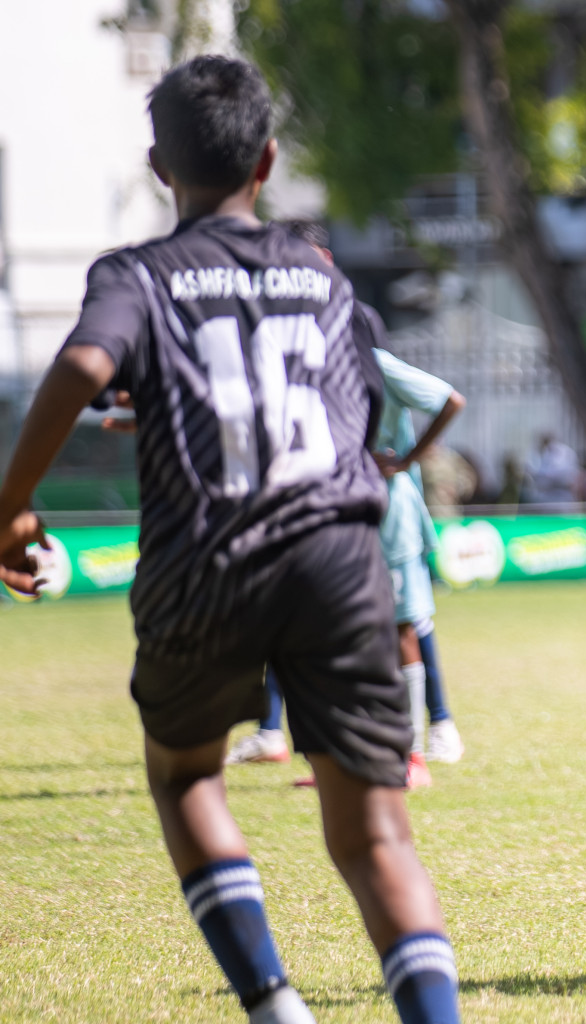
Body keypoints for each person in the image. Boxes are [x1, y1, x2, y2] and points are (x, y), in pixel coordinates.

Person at [0, 58, 458, 1023]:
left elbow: (88, 361)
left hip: (206, 556)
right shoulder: (326, 281)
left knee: (184, 776)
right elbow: (346, 407)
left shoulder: (137, 274)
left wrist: (10, 504)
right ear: (269, 157)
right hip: (338, 558)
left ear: (160, 165)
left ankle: (272, 1003)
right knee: (378, 837)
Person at [226, 220, 467, 776]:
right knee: (329, 634)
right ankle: (338, 752)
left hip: (386, 514)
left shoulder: (371, 353)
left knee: (402, 627)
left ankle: (415, 748)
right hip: (328, 512)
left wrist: (407, 460)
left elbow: (448, 400)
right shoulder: (293, 366)